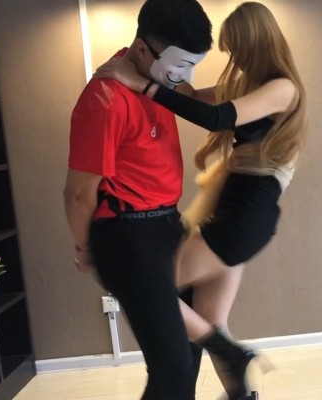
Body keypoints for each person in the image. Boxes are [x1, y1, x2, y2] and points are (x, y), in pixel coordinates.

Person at [94, 2, 307, 399]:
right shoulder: (249, 85)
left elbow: (217, 118)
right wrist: (148, 71)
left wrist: (142, 85)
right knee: (210, 320)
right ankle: (239, 387)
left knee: (151, 292)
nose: (235, 58)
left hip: (244, 219)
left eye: (238, 48)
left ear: (256, 42)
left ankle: (230, 356)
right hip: (236, 215)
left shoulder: (283, 88)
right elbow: (191, 95)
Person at [63, 1, 212, 399]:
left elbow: (201, 101)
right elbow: (78, 193)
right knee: (172, 368)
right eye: (180, 66)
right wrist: (86, 249)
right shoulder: (106, 96)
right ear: (144, 49)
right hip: (129, 236)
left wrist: (266, 86)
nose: (185, 77)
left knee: (187, 353)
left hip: (167, 225)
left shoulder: (156, 80)